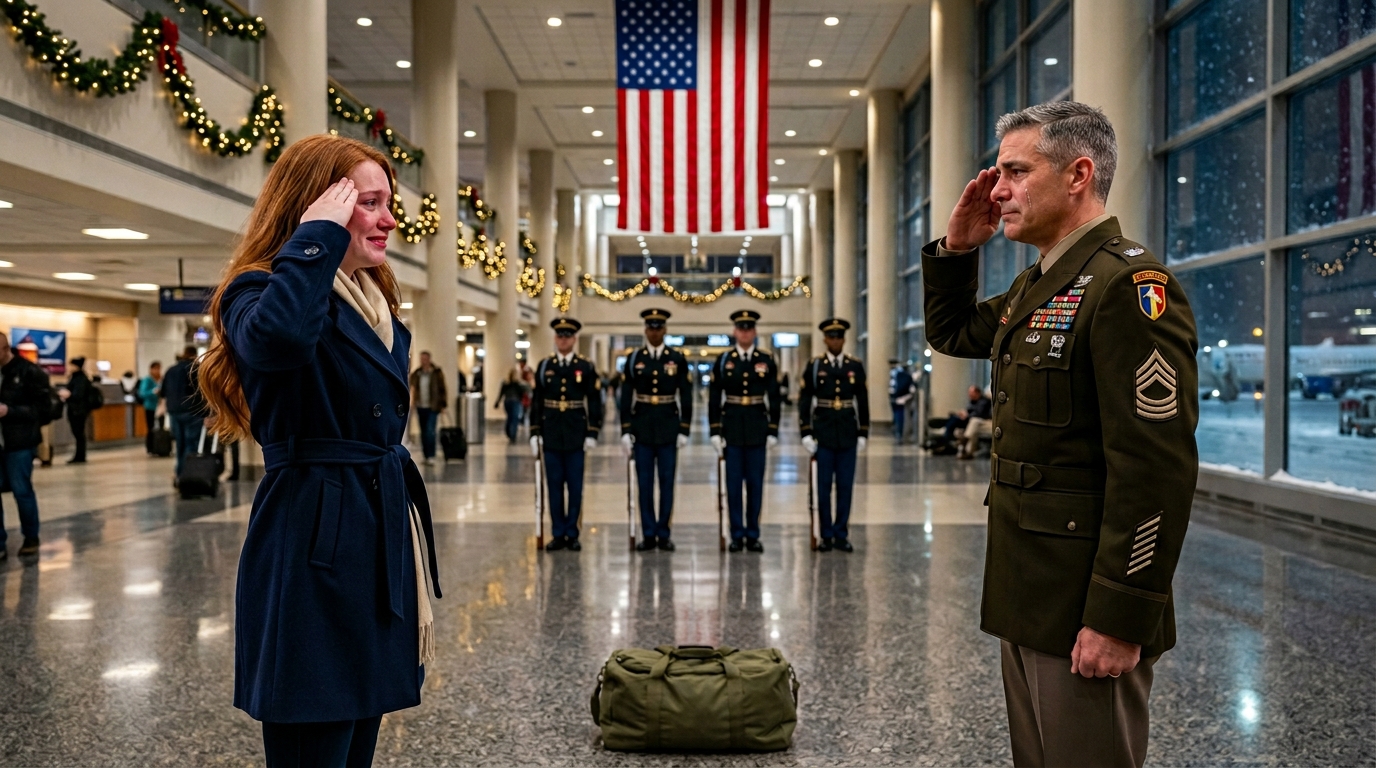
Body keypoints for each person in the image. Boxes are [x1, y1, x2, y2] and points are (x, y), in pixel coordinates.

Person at [922, 101, 1198, 768]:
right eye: (998, 174)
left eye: (1016, 171)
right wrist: (957, 250)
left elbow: (1154, 473)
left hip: (1086, 605)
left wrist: (1119, 616)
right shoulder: (1042, 284)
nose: (998, 189)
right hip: (1029, 591)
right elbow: (953, 331)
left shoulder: (1127, 286)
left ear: (1078, 174)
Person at [196, 135, 442, 765]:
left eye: (390, 203)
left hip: (373, 525)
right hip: (313, 535)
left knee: (358, 726)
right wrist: (315, 239)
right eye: (369, 202)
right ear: (320, 208)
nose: (390, 218)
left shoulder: (372, 302)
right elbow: (277, 342)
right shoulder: (261, 289)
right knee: (316, 728)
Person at [619, 308, 692, 552]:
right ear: (645, 330)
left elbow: (686, 394)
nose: (654, 331)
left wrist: (684, 428)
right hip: (642, 429)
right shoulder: (634, 359)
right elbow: (626, 396)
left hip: (668, 428)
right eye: (650, 327)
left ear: (665, 330)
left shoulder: (677, 358)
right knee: (645, 484)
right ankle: (648, 533)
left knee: (667, 482)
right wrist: (626, 429)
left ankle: (664, 532)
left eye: (658, 327)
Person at [708, 310, 780, 553]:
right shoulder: (724, 361)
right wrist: (715, 431)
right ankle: (737, 534)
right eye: (741, 328)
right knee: (734, 486)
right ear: (734, 332)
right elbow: (715, 397)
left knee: (755, 485)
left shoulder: (766, 360)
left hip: (758, 428)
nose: (745, 332)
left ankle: (753, 533)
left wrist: (773, 429)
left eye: (749, 328)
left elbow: (774, 397)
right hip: (733, 430)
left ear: (755, 332)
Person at [529, 317, 603, 552]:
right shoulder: (544, 366)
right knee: (554, 486)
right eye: (560, 336)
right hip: (551, 433)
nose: (563, 339)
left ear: (574, 339)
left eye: (567, 336)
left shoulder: (585, 366)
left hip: (575, 434)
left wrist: (593, 431)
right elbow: (537, 401)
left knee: (575, 487)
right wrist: (534, 432)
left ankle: (573, 532)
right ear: (555, 338)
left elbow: (594, 400)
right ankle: (558, 532)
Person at [798, 318, 870, 552]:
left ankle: (841, 534)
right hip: (824, 434)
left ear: (844, 339)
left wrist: (863, 432)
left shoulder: (855, 365)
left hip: (848, 433)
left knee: (845, 487)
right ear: (825, 339)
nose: (836, 340)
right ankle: (826, 534)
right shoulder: (815, 365)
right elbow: (805, 399)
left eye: (839, 336)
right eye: (831, 336)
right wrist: (806, 431)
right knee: (823, 487)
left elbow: (863, 400)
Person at [0, 331, 53, 559]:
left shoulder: (29, 372)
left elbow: (44, 410)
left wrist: (10, 411)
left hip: (19, 442)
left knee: (21, 490)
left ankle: (31, 537)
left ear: (6, 349)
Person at [160, 346, 206, 481]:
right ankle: (187, 475)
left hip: (174, 412)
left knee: (180, 444)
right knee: (191, 444)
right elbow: (201, 392)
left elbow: (163, 392)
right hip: (192, 412)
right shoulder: (194, 369)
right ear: (194, 355)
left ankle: (179, 473)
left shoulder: (170, 370)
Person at [408, 351, 448, 465]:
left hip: (433, 407)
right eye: (421, 359)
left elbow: (442, 389)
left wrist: (443, 405)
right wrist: (413, 402)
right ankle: (426, 455)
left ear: (429, 359)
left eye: (425, 359)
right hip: (421, 406)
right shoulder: (417, 374)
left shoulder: (436, 373)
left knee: (430, 431)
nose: (423, 361)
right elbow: (413, 387)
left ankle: (431, 455)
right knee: (423, 431)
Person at [60, 356, 100, 464]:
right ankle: (79, 455)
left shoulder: (80, 379)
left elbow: (78, 395)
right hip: (77, 409)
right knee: (78, 433)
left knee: (79, 433)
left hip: (78, 410)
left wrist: (68, 395)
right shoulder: (77, 377)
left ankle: (80, 455)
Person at [959, 385, 993, 460]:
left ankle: (965, 440)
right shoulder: (973, 402)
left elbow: (980, 414)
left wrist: (967, 415)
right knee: (973, 428)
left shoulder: (984, 401)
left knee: (974, 422)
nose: (969, 394)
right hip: (980, 424)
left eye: (971, 392)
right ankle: (968, 452)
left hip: (990, 423)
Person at [495, 368, 528, 443]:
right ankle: (512, 434)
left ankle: (510, 432)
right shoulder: (519, 384)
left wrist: (497, 402)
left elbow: (501, 393)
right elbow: (523, 393)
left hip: (508, 401)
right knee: (514, 418)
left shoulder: (506, 383)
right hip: (515, 402)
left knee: (510, 417)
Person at [136, 361, 162, 455]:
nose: (157, 371)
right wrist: (153, 392)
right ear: (151, 369)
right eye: (155, 368)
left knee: (160, 428)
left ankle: (159, 446)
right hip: (150, 407)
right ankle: (150, 447)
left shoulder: (161, 379)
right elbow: (142, 393)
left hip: (160, 408)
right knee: (150, 428)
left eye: (159, 368)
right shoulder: (147, 380)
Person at [888, 359, 914, 443]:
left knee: (900, 417)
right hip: (895, 398)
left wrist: (898, 396)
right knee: (897, 417)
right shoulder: (895, 373)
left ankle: (900, 434)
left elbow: (901, 386)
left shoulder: (900, 374)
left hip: (901, 398)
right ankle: (898, 433)